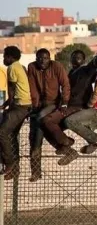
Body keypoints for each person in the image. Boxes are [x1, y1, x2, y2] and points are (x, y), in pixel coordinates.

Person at [46, 49, 97, 165]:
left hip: (77, 107)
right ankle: (69, 150)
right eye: (73, 57)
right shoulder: (72, 72)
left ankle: (67, 142)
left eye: (78, 57)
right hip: (68, 106)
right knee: (46, 129)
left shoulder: (85, 70)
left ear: (83, 60)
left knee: (48, 121)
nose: (75, 59)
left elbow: (93, 66)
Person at [27, 48, 71, 181]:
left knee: (41, 119)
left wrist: (64, 102)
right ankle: (36, 172)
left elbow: (65, 84)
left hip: (53, 103)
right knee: (35, 140)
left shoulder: (56, 66)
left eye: (45, 58)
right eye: (39, 58)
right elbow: (32, 87)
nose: (42, 60)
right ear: (36, 58)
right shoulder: (32, 67)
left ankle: (65, 142)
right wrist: (34, 106)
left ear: (49, 58)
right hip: (39, 106)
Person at [64, 51, 97, 156]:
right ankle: (92, 141)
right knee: (80, 124)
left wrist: (89, 105)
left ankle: (95, 139)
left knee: (70, 121)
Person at [0, 46, 32, 180]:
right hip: (23, 104)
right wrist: (5, 105)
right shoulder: (19, 66)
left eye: (5, 56)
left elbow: (12, 91)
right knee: (12, 136)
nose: (3, 59)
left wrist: (9, 107)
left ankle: (9, 163)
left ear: (10, 57)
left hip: (21, 106)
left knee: (3, 132)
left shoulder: (12, 68)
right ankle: (14, 169)